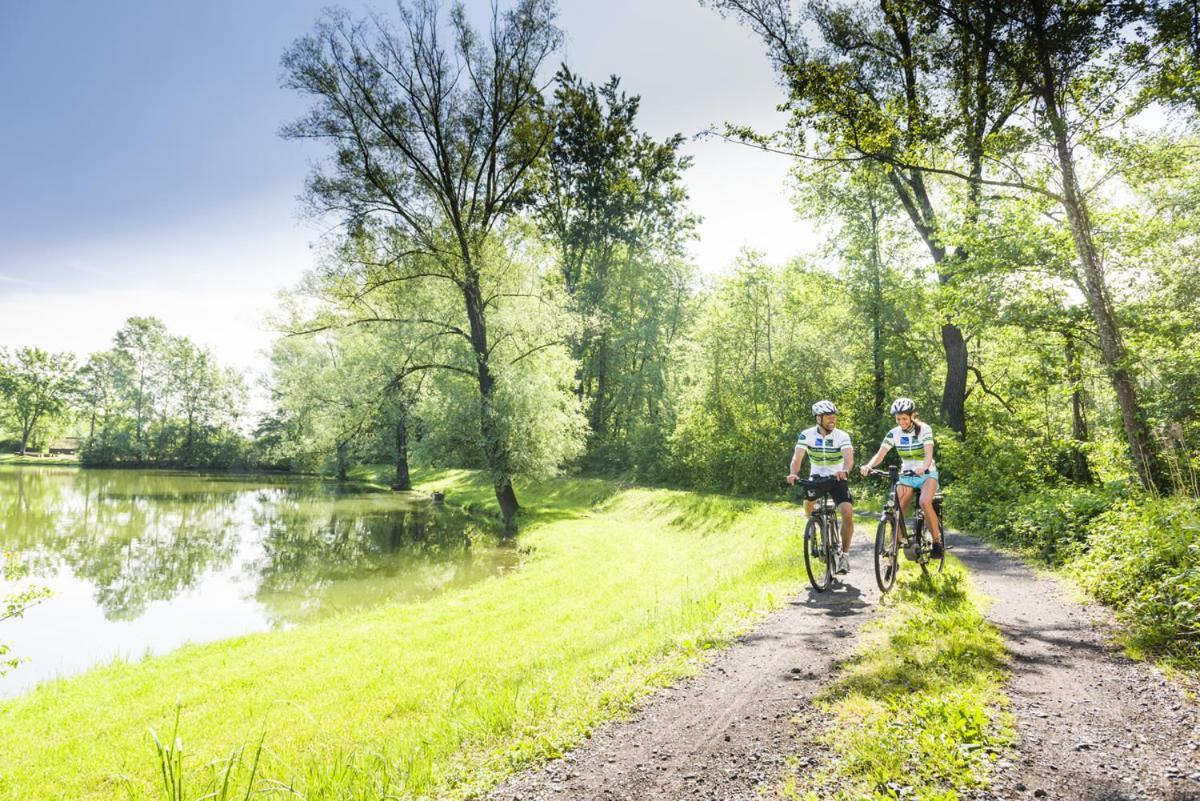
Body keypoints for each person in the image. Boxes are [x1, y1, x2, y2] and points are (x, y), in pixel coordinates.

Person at [859, 397, 942, 558]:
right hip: (906, 475)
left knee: (924, 502)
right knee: (898, 509)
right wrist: (869, 466)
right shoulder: (893, 434)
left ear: (912, 416)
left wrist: (923, 467)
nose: (901, 422)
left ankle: (937, 542)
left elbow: (928, 453)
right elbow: (880, 454)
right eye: (898, 419)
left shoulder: (924, 429)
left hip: (926, 474)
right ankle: (892, 550)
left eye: (904, 418)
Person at [787, 400, 855, 574]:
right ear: (818, 418)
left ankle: (844, 557)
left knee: (847, 513)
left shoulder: (842, 436)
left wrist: (845, 470)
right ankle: (812, 524)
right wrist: (794, 473)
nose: (832, 420)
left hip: (837, 477)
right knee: (809, 500)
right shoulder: (807, 435)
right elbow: (797, 458)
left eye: (834, 416)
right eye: (828, 417)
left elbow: (848, 458)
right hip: (816, 477)